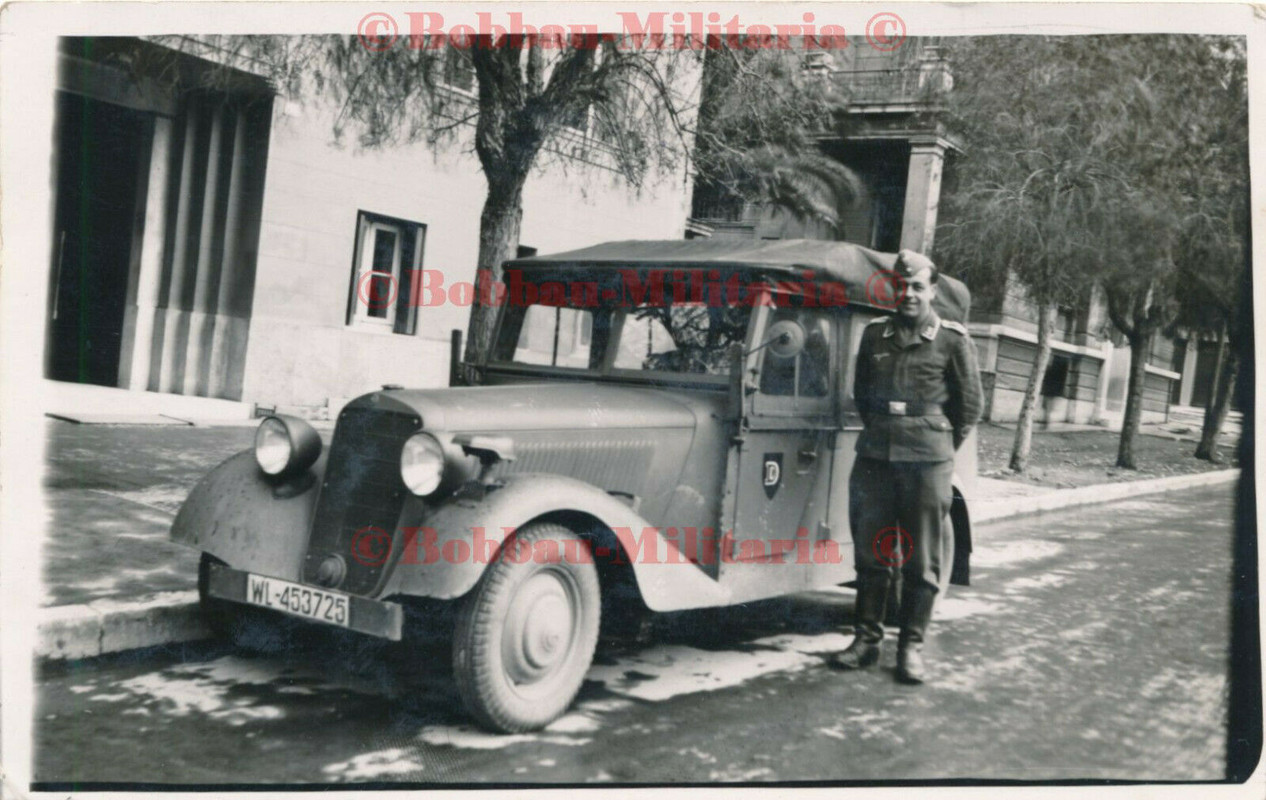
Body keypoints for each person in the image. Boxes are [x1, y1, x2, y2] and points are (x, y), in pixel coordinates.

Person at [830, 250, 984, 684]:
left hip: (928, 462)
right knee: (870, 553)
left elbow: (970, 406)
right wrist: (886, 430)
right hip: (876, 457)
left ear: (932, 290)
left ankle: (911, 646)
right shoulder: (875, 335)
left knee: (921, 561)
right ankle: (866, 640)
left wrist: (938, 447)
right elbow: (863, 394)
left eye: (917, 286)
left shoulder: (952, 339)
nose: (909, 294)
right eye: (902, 286)